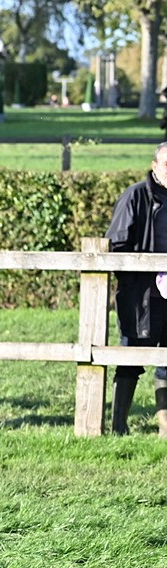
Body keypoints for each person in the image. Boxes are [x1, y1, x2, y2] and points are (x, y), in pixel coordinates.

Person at [104, 142, 167, 437]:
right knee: (130, 360)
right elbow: (117, 244)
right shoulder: (135, 197)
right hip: (142, 296)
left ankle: (165, 428)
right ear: (154, 166)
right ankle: (118, 427)